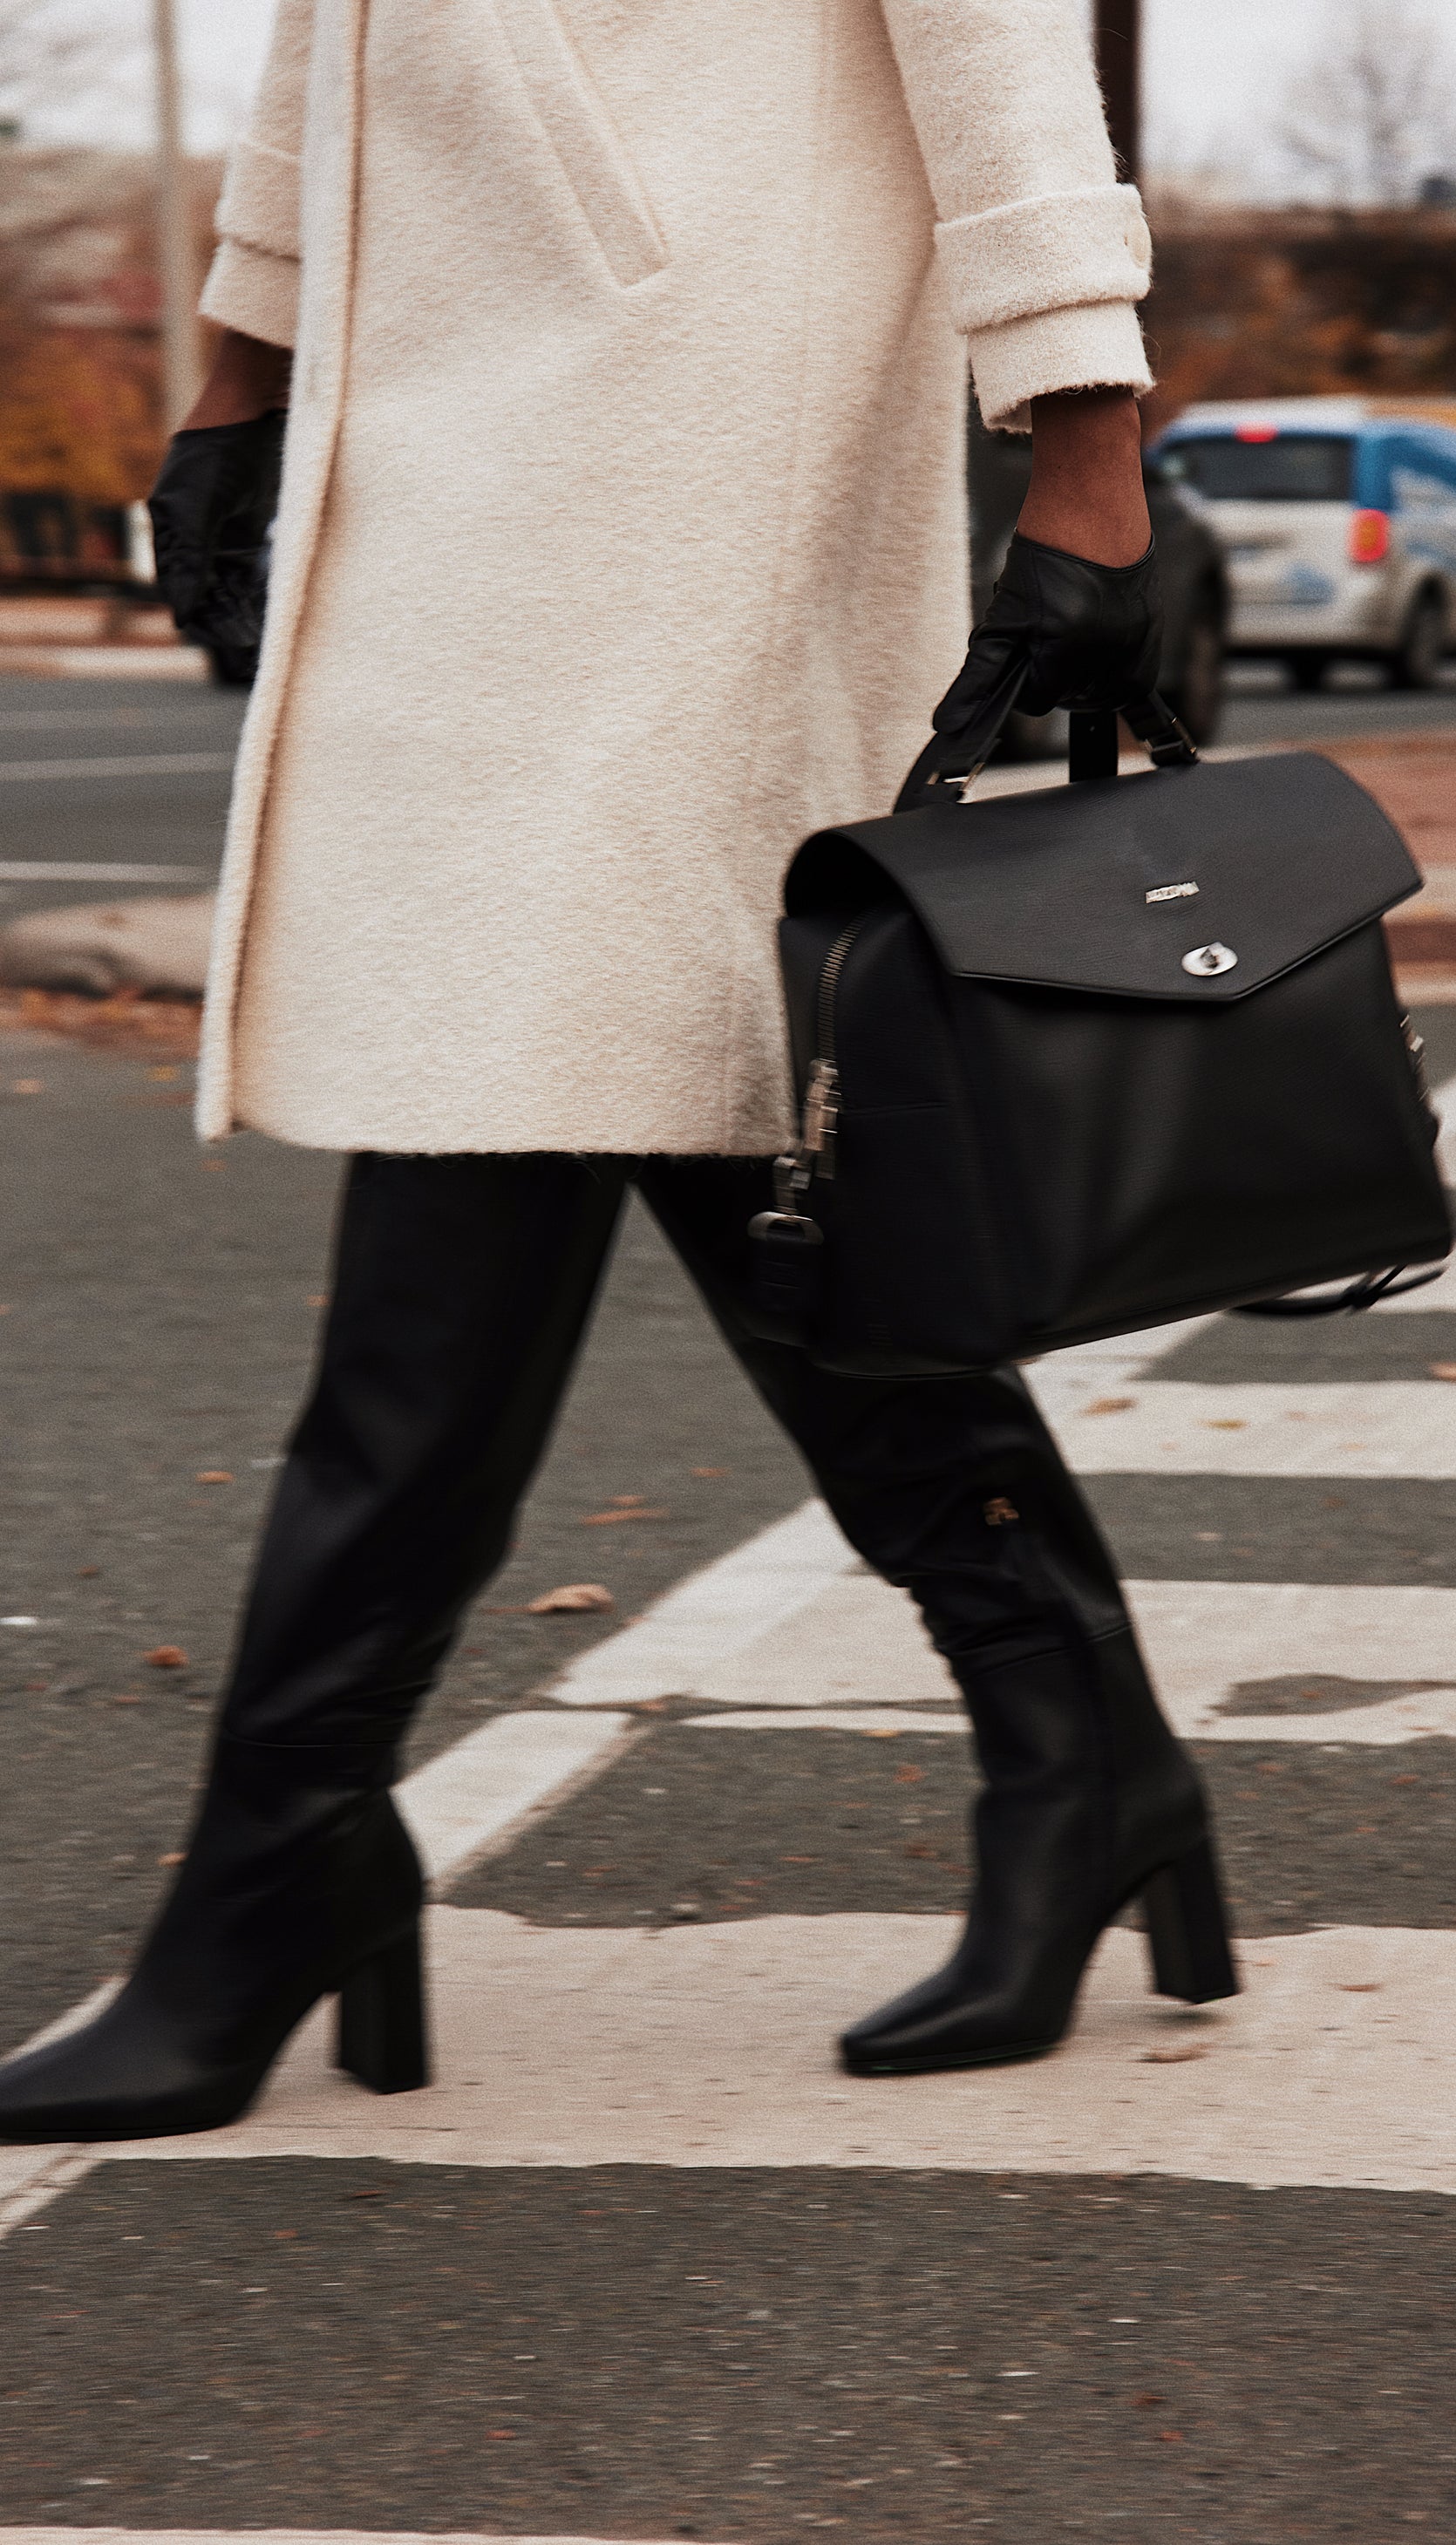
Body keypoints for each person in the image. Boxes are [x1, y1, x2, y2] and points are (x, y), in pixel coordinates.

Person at [0, 0, 1235, 2145]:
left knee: (537, 1087)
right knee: (718, 1120)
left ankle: (278, 1863)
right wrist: (239, 373)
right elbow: (335, 38)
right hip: (455, 422)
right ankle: (1077, 1744)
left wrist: (1085, 438)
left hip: (699, 437)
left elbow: (1000, 35)